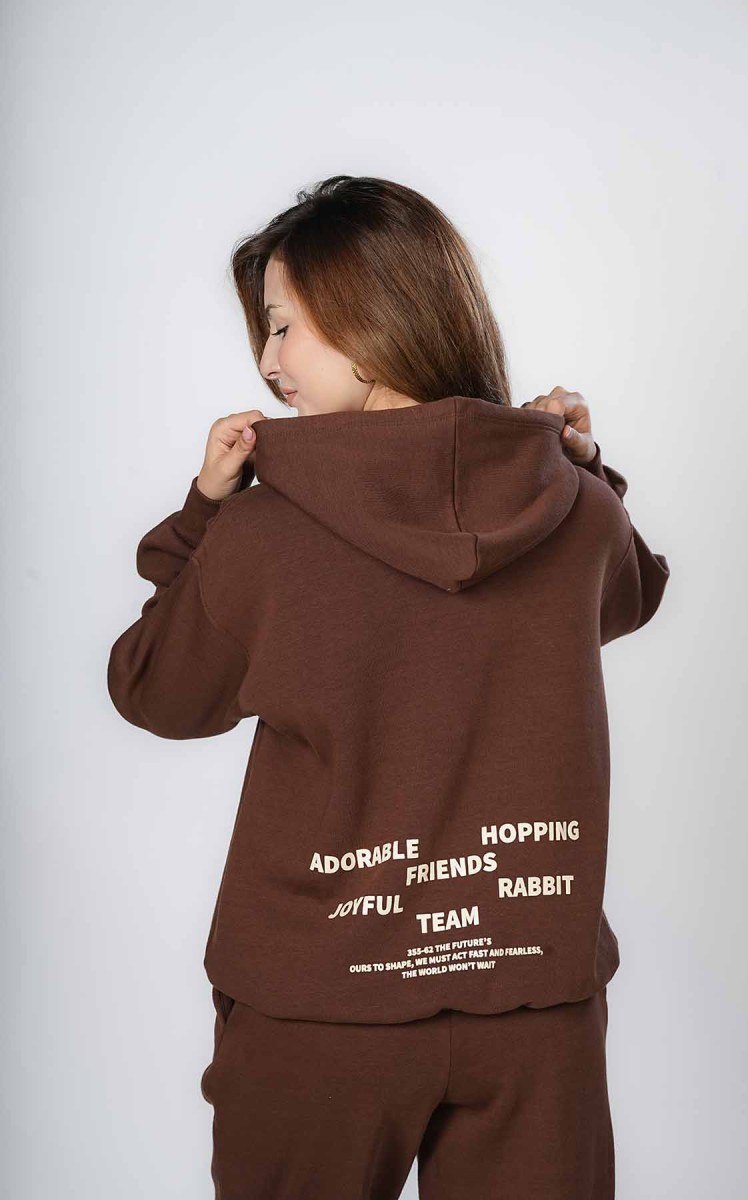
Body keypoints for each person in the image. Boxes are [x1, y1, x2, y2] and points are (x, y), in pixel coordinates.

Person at [107, 175, 670, 1199]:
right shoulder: (577, 514)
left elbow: (155, 691)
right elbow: (629, 595)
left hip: (322, 1010)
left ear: (369, 325)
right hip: (531, 1006)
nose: (267, 361)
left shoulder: (261, 535)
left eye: (283, 325)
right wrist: (577, 470)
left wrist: (201, 514)